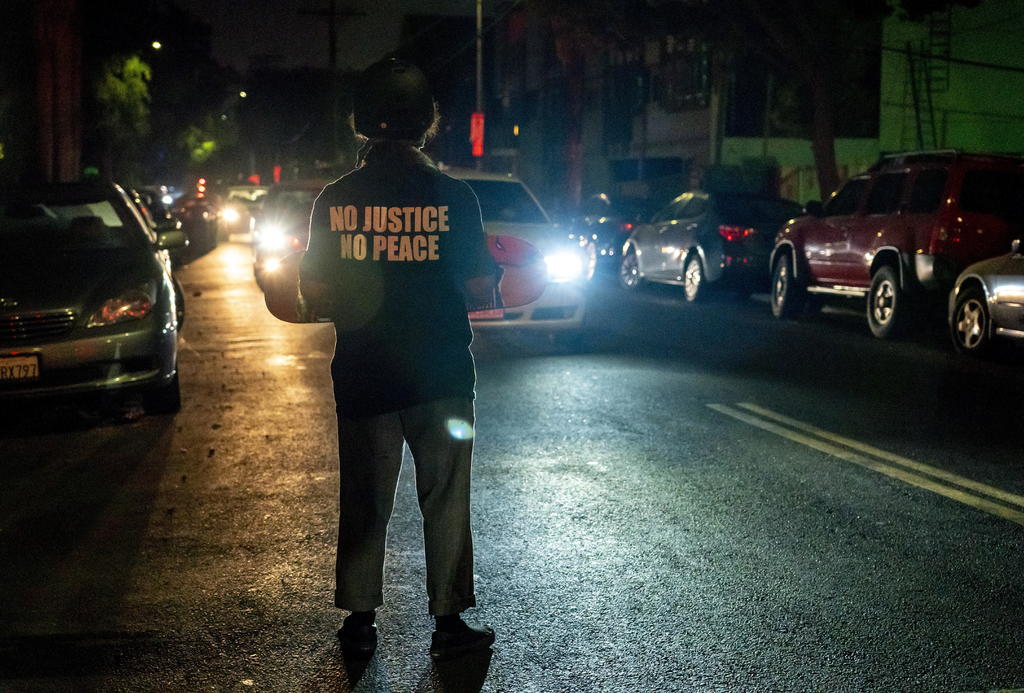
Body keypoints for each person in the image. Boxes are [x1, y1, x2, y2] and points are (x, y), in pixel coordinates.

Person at [299, 57, 499, 661]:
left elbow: (314, 290)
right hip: (441, 374)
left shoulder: (335, 199)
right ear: (426, 123)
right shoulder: (454, 197)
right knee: (446, 500)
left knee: (365, 500)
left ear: (361, 122)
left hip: (364, 375)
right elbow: (481, 284)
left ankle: (359, 621)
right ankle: (449, 623)